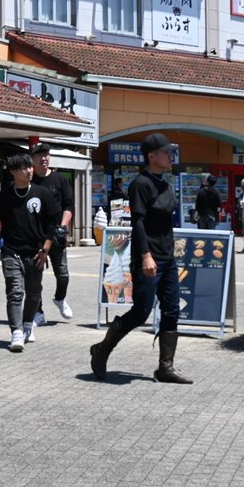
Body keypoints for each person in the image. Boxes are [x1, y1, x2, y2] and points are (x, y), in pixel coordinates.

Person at [89, 132, 192, 384]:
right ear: (151, 156)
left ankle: (165, 368)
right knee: (141, 310)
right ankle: (102, 349)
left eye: (171, 152)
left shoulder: (166, 184)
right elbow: (138, 223)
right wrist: (146, 255)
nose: (170, 156)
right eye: (166, 152)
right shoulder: (140, 184)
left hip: (168, 258)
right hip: (148, 257)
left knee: (171, 310)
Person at [0, 153, 59, 351]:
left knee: (34, 293)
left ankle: (28, 324)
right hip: (10, 250)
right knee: (15, 292)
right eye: (24, 168)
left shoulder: (43, 194)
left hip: (36, 252)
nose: (29, 171)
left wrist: (46, 248)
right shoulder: (3, 197)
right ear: (13, 172)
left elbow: (53, 223)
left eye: (30, 167)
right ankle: (16, 332)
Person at [29, 143, 75, 323]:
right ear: (32, 159)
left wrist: (63, 227)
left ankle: (60, 298)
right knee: (35, 276)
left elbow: (69, 206)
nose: (44, 158)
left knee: (63, 274)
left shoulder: (60, 180)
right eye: (40, 156)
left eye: (46, 155)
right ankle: (37, 312)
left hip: (56, 234)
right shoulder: (30, 181)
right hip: (35, 235)